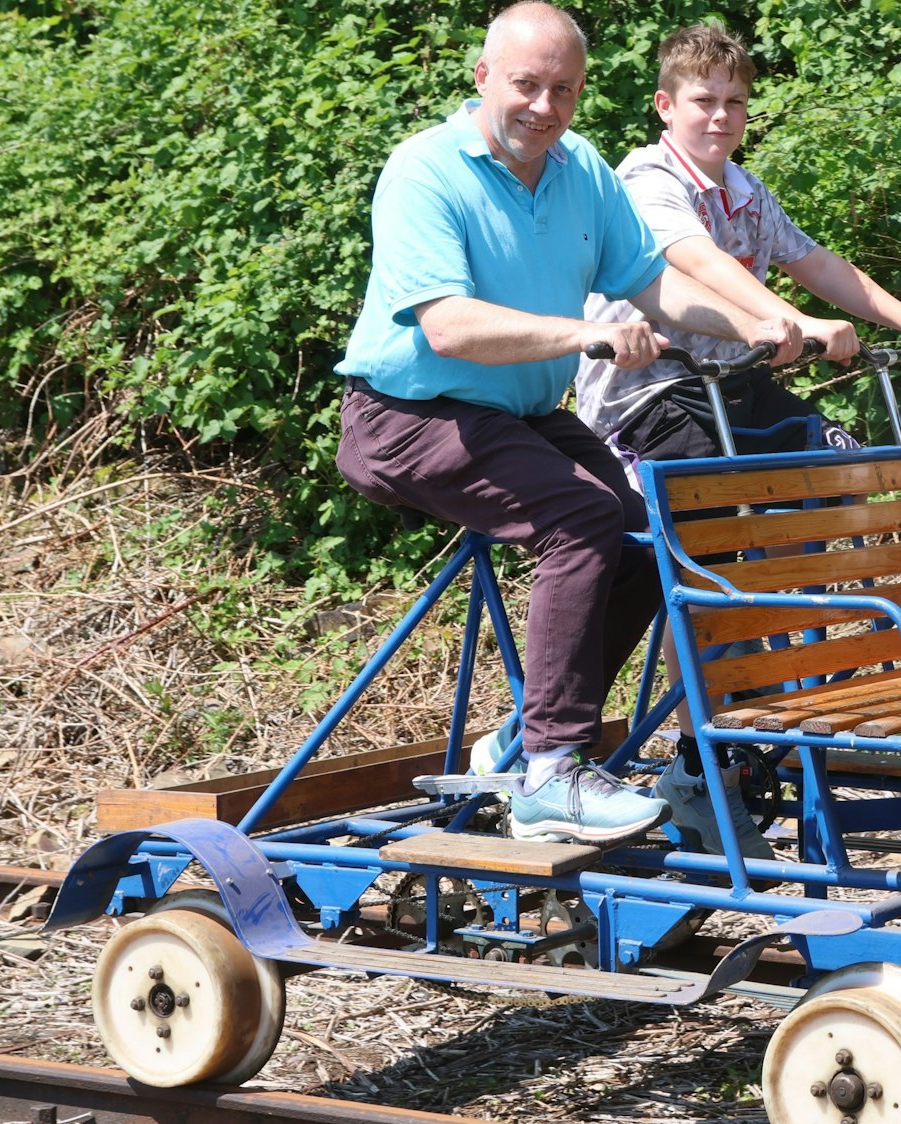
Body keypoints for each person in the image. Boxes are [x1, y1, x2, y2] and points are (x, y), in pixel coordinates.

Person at [332, 2, 797, 847]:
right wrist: (586, 332)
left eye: (564, 90)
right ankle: (551, 773)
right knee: (579, 516)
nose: (544, 107)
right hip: (404, 416)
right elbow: (448, 327)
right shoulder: (425, 171)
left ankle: (521, 740)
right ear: (482, 80)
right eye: (526, 85)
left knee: (648, 536)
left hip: (521, 413)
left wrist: (752, 321)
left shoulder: (581, 168)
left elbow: (654, 284)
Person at [573, 22, 901, 861]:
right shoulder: (645, 180)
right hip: (650, 398)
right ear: (667, 106)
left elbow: (817, 262)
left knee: (848, 467)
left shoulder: (743, 187)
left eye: (735, 103)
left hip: (731, 392)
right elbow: (694, 261)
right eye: (704, 102)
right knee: (714, 544)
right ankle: (705, 754)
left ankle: (831, 689)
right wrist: (775, 318)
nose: (721, 117)